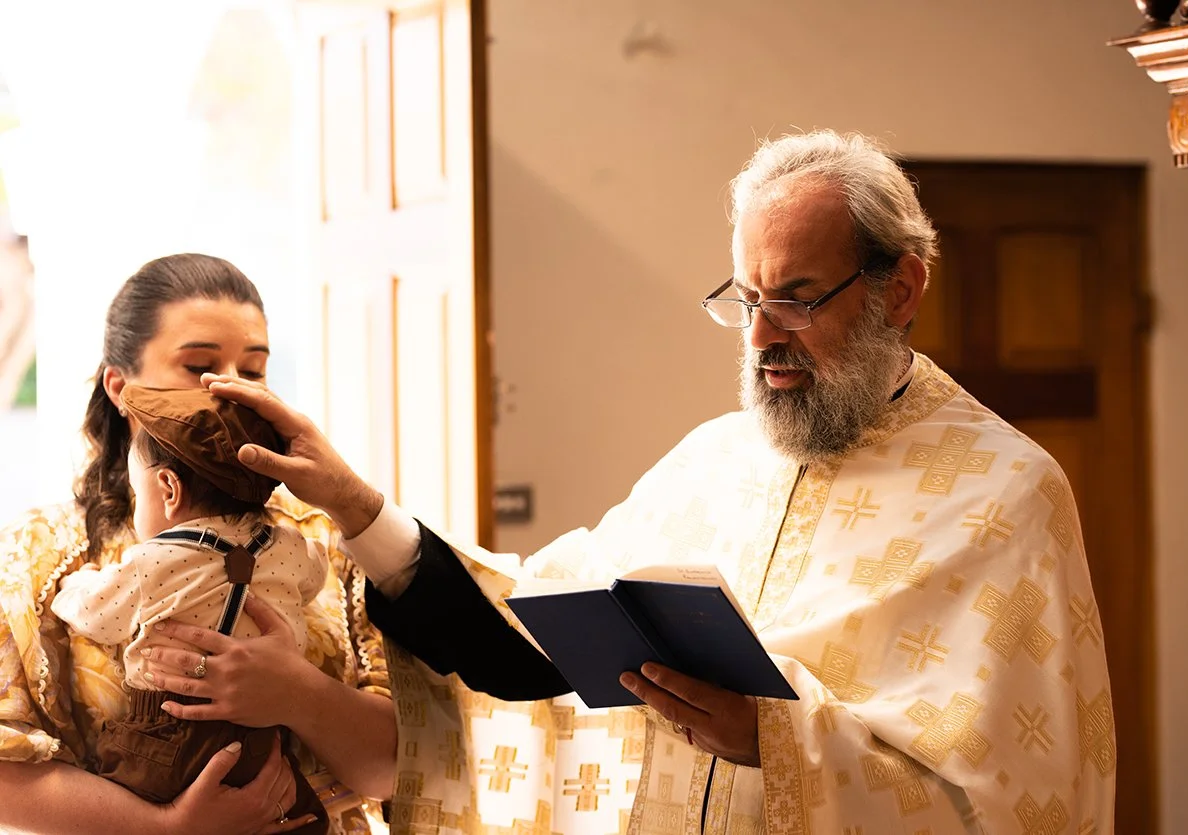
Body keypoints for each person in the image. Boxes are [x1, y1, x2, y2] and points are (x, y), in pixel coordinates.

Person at [204, 131, 1117, 832]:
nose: (760, 337)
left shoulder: (1004, 494)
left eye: (795, 296)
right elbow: (528, 634)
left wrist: (774, 739)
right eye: (746, 300)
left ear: (901, 289)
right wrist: (360, 508)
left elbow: (1017, 800)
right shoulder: (714, 460)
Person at [0, 253, 395, 835]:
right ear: (121, 387)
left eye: (253, 370)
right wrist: (164, 826)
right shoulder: (37, 554)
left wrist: (298, 694)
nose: (231, 389)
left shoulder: (319, 537)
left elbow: (395, 769)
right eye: (199, 366)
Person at [50, 384, 330, 833]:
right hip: (261, 741)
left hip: (167, 737)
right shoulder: (292, 546)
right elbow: (314, 577)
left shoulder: (151, 561)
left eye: (138, 497)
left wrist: (74, 582)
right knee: (301, 817)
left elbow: (95, 613)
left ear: (168, 488)